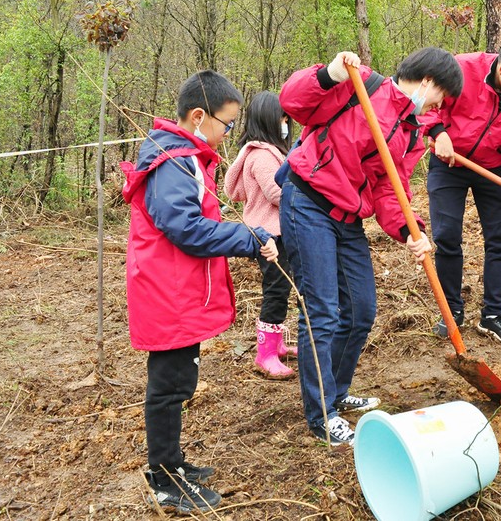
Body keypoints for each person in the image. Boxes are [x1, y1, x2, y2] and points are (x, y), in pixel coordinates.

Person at [278, 48, 462, 446]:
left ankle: (338, 391)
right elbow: (292, 101)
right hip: (308, 202)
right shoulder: (359, 84)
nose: (438, 107)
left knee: (361, 310)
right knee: (323, 311)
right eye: (441, 98)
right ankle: (321, 413)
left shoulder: (412, 131)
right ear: (429, 82)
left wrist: (412, 232)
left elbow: (388, 189)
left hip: (348, 218)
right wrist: (328, 74)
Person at [122, 71, 279, 513]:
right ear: (198, 116)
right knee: (170, 384)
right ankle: (165, 478)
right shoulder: (174, 161)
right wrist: (247, 238)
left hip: (178, 287)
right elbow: (184, 228)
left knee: (180, 378)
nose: (227, 136)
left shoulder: (184, 156)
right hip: (167, 289)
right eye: (226, 125)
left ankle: (172, 463)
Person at [422, 36, 501, 346]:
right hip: (447, 162)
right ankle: (451, 311)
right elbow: (424, 101)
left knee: (500, 241)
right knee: (447, 236)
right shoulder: (461, 69)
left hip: (494, 168)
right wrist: (438, 133)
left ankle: (493, 316)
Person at [224, 91, 297, 380]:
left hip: (270, 230)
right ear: (270, 120)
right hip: (271, 234)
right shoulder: (263, 156)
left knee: (279, 288)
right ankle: (265, 354)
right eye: (283, 118)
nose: (286, 124)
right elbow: (276, 193)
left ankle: (276, 345)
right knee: (276, 290)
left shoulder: (262, 152)